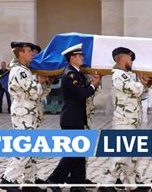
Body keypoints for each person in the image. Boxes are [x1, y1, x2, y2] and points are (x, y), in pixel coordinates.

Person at [47, 43, 101, 191]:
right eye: (80, 56)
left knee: (79, 154)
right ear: (73, 58)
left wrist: (93, 84)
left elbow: (83, 91)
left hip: (76, 117)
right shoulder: (70, 74)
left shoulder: (77, 73)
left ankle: (78, 184)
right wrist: (93, 86)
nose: (83, 58)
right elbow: (80, 94)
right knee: (72, 153)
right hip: (71, 118)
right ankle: (54, 179)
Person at [0, 42, 50, 192]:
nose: (32, 54)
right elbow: (34, 92)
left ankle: (29, 181)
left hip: (30, 112)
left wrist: (45, 83)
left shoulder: (26, 70)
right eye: (29, 51)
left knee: (32, 149)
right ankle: (8, 179)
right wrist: (40, 81)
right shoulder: (19, 71)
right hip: (23, 113)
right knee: (25, 147)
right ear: (21, 53)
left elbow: (39, 93)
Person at [100, 47, 152, 192]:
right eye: (130, 59)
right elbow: (135, 89)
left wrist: (146, 85)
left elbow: (140, 95)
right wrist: (142, 83)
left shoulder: (128, 75)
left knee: (132, 155)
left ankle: (131, 183)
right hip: (123, 121)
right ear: (123, 59)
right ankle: (106, 183)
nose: (132, 62)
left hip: (132, 120)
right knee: (121, 155)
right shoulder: (118, 75)